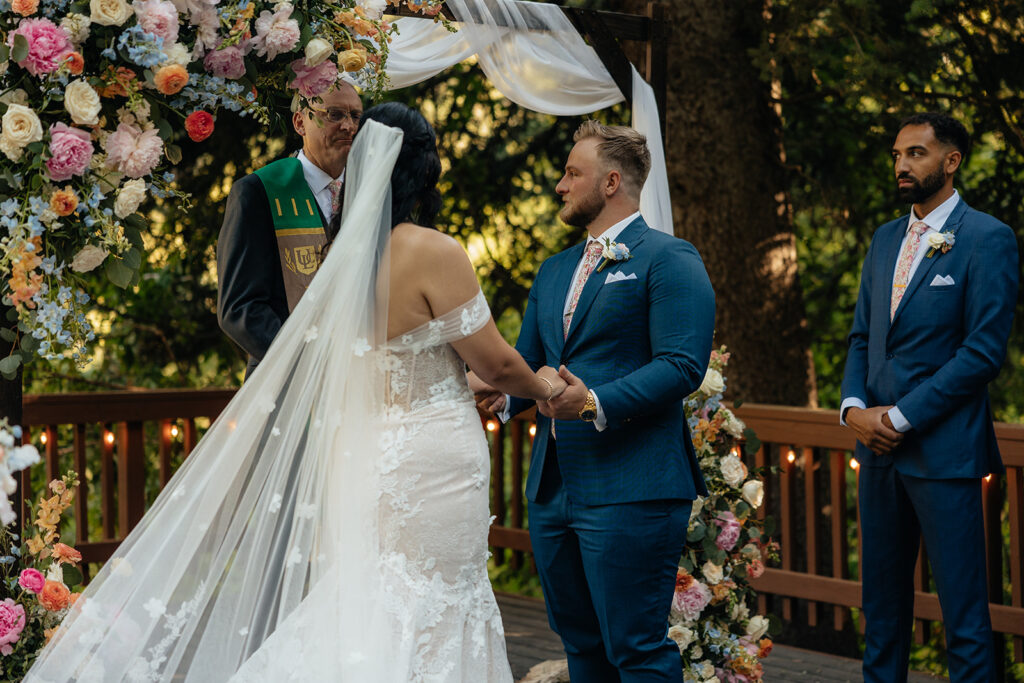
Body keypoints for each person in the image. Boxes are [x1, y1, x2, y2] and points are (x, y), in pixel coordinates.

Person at [28, 104, 565, 681]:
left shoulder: (344, 258)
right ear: (424, 170)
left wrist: (479, 384)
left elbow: (395, 363)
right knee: (434, 595)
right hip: (431, 465)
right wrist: (545, 387)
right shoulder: (434, 250)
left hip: (366, 456)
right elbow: (499, 361)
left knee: (372, 593)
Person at [475, 121, 715, 681]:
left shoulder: (669, 258)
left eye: (571, 173)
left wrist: (593, 403)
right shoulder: (555, 269)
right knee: (580, 646)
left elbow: (683, 365)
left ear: (611, 182)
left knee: (636, 649)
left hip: (632, 486)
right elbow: (531, 363)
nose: (560, 184)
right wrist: (499, 398)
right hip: (555, 488)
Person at [840, 112, 1017, 683]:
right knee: (882, 614)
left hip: (945, 456)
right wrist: (852, 411)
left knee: (963, 621)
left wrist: (901, 415)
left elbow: (982, 353)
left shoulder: (987, 238)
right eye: (897, 155)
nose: (902, 165)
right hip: (878, 454)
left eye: (916, 153)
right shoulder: (885, 237)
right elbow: (863, 338)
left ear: (951, 161)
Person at [216, 81, 362, 379]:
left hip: (361, 378)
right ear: (300, 121)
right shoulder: (258, 192)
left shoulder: (370, 190)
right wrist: (312, 362)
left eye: (356, 116)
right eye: (335, 115)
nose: (348, 126)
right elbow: (240, 308)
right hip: (286, 378)